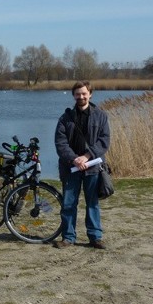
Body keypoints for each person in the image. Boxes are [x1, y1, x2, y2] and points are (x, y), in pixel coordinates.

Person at [53, 81, 110, 249]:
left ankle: (95, 237)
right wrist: (75, 159)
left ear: (90, 94)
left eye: (84, 93)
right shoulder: (65, 118)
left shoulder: (101, 116)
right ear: (73, 95)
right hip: (70, 168)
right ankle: (68, 238)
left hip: (93, 168)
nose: (81, 97)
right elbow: (60, 143)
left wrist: (86, 156)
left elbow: (104, 141)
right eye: (77, 94)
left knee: (92, 203)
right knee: (69, 203)